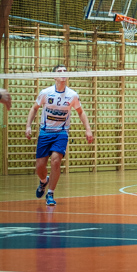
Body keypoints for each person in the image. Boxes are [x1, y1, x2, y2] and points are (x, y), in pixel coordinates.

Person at [25, 65, 93, 206]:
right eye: (60, 71)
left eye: (65, 71)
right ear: (54, 76)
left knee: (56, 161)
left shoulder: (72, 95)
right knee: (40, 167)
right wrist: (28, 126)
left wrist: (88, 129)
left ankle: (50, 193)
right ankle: (43, 181)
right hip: (45, 132)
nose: (63, 73)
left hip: (61, 133)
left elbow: (81, 112)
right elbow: (34, 108)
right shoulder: (46, 93)